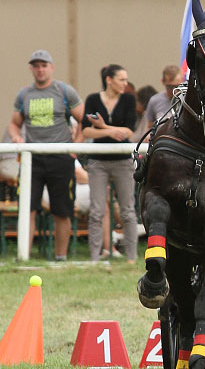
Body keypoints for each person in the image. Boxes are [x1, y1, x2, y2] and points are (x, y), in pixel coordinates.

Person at [10, 49, 84, 260]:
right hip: (32, 158)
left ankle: (60, 257)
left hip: (60, 156)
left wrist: (75, 148)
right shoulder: (24, 94)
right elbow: (15, 124)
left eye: (44, 65)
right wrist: (16, 138)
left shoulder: (63, 90)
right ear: (32, 69)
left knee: (62, 210)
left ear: (51, 67)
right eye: (36, 66)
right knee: (27, 208)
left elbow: (83, 119)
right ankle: (23, 256)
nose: (40, 70)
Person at [82, 64, 138, 263]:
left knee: (128, 210)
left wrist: (103, 126)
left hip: (123, 161)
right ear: (109, 80)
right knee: (96, 211)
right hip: (98, 161)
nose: (125, 83)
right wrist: (110, 131)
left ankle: (132, 257)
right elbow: (86, 131)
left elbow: (129, 131)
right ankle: (94, 258)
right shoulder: (92, 99)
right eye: (121, 79)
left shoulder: (129, 99)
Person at [144, 65, 183, 129]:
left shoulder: (185, 100)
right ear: (163, 82)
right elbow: (149, 126)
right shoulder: (155, 101)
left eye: (178, 86)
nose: (174, 90)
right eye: (170, 87)